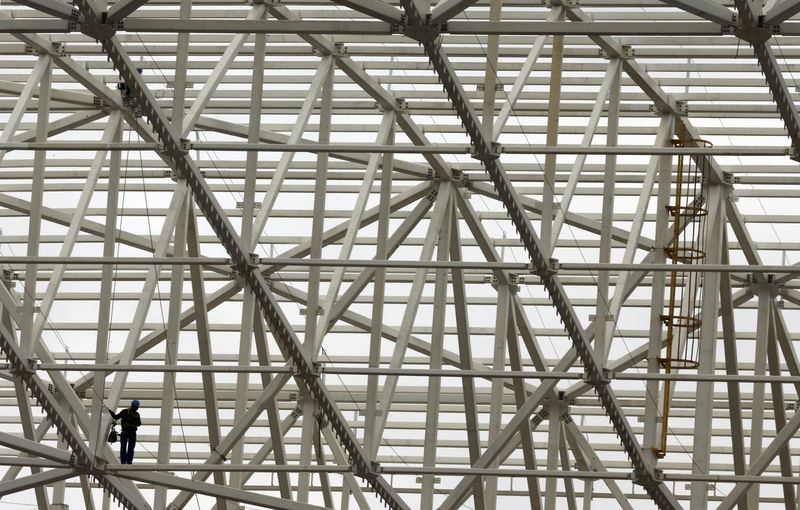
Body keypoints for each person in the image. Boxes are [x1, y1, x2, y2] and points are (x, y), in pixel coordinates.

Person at [108, 400, 141, 464]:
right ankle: (123, 461)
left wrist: (131, 425)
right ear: (132, 406)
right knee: (123, 447)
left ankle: (129, 461)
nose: (136, 409)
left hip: (132, 433)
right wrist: (109, 411)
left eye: (137, 408)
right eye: (135, 407)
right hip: (125, 432)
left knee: (131, 447)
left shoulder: (136, 414)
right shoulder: (125, 412)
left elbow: (139, 424)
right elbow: (116, 417)